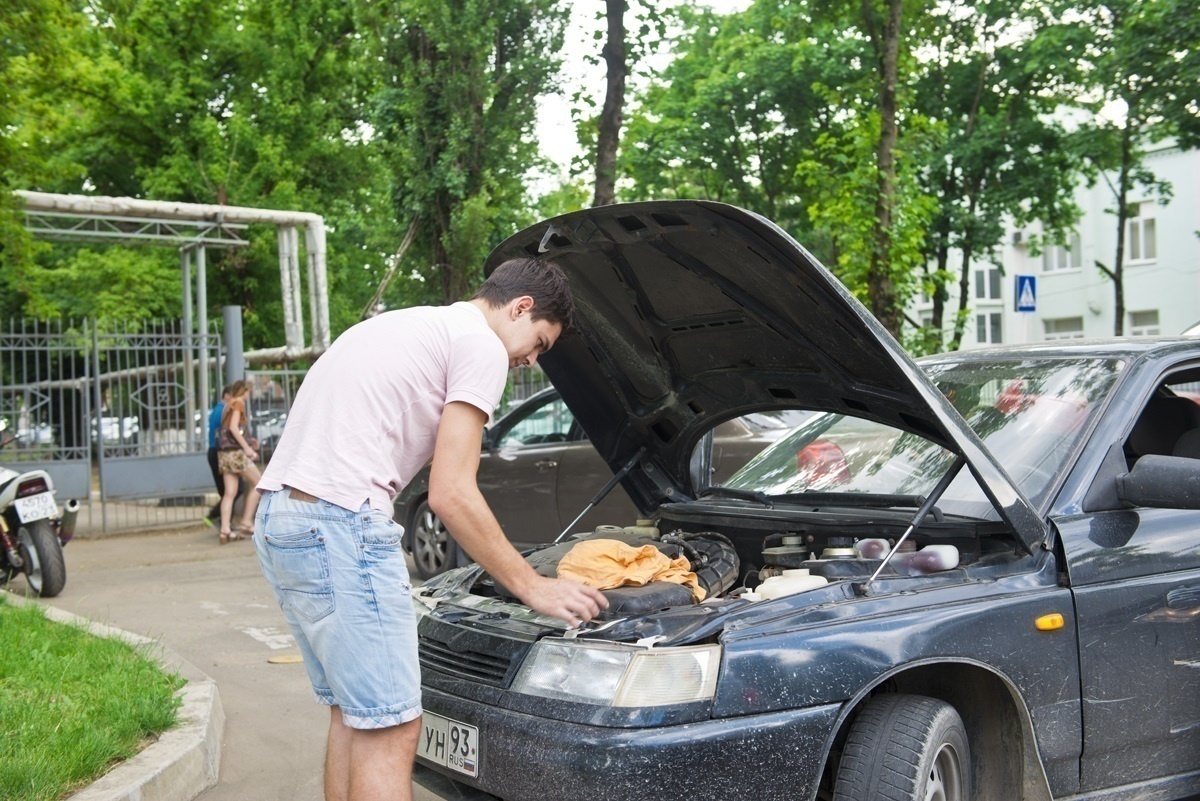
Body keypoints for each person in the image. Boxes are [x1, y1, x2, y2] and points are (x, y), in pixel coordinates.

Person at [254, 257, 608, 801]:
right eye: (539, 342)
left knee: (356, 716)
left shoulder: (403, 323)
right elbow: (451, 491)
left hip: (285, 520)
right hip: (342, 525)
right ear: (521, 307)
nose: (532, 361)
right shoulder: (481, 345)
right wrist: (532, 585)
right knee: (393, 725)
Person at [217, 379, 262, 543]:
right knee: (259, 484)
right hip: (236, 454)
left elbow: (229, 430)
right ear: (245, 392)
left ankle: (225, 530)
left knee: (229, 493)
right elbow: (234, 428)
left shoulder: (227, 405)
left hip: (224, 455)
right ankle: (246, 521)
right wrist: (247, 448)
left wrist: (250, 441)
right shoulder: (238, 403)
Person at [205, 385, 242, 523]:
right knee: (231, 491)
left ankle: (222, 521)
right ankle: (216, 517)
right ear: (227, 396)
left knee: (228, 491)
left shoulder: (217, 409)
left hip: (215, 451)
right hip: (220, 452)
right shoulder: (224, 410)